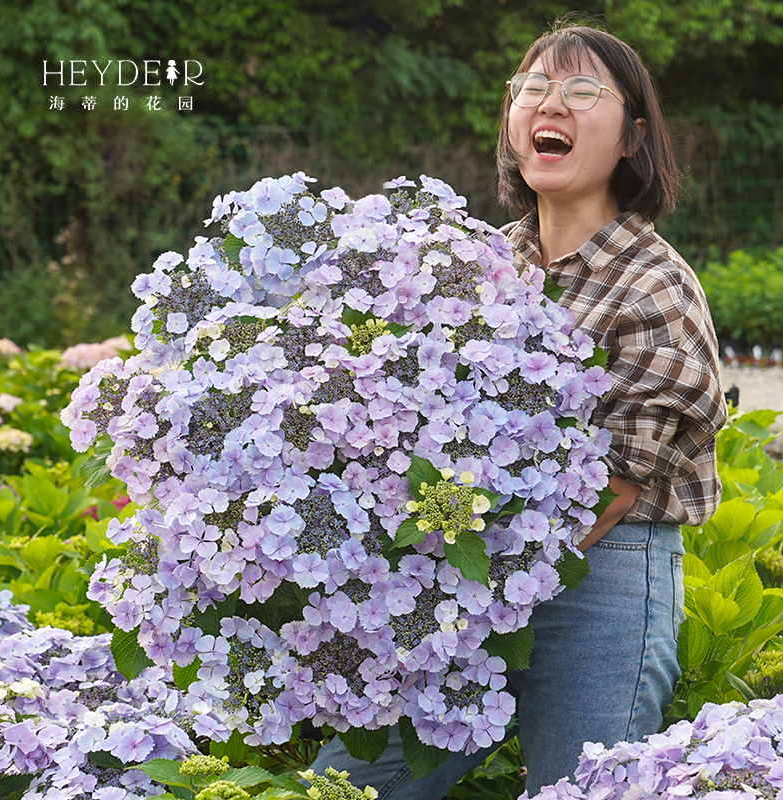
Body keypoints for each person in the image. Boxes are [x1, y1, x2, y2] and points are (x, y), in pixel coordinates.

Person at [308, 21, 727, 798]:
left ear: (634, 137)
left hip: (601, 574)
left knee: (583, 789)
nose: (550, 104)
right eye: (533, 88)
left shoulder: (653, 285)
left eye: (580, 91)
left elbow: (619, 483)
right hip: (464, 570)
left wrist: (461, 581)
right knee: (352, 784)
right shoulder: (480, 265)